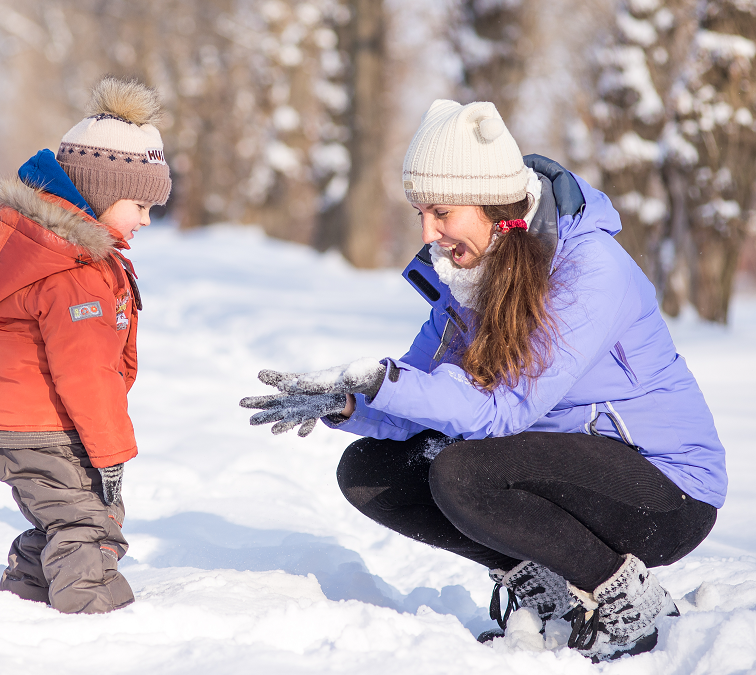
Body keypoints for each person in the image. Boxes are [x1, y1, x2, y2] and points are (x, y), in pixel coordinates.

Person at [241, 100, 724, 662]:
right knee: (372, 471)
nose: (428, 232)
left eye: (441, 211)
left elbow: (503, 409)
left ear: (494, 207)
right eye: (420, 212)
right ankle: (548, 595)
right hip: (556, 472)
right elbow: (417, 390)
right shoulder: (469, 276)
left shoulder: (590, 269)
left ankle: (629, 603)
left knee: (463, 473)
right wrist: (353, 401)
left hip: (663, 490)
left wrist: (382, 381)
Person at [0, 77, 170, 614]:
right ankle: (92, 620)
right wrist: (112, 455)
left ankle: (27, 597)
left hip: (15, 423)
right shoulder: (72, 272)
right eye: (140, 204)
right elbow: (87, 373)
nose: (147, 219)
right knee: (90, 523)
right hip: (46, 425)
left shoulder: (50, 253)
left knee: (63, 515)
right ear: (100, 194)